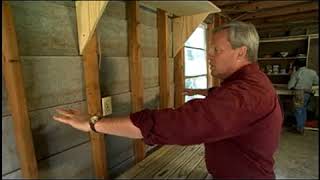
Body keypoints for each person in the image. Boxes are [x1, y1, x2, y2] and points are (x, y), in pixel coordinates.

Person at [53, 21, 283, 179]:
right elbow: (226, 103)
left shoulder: (247, 94)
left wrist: (94, 123)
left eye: (215, 49)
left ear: (240, 52)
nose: (209, 55)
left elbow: (178, 123)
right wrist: (204, 92)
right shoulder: (249, 84)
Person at [288, 59, 319, 134]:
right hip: (308, 93)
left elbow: (290, 86)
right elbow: (317, 83)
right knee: (303, 109)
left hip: (299, 92)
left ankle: (299, 128)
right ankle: (302, 126)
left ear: (297, 66)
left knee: (298, 110)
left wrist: (292, 73)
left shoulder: (297, 73)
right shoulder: (312, 72)